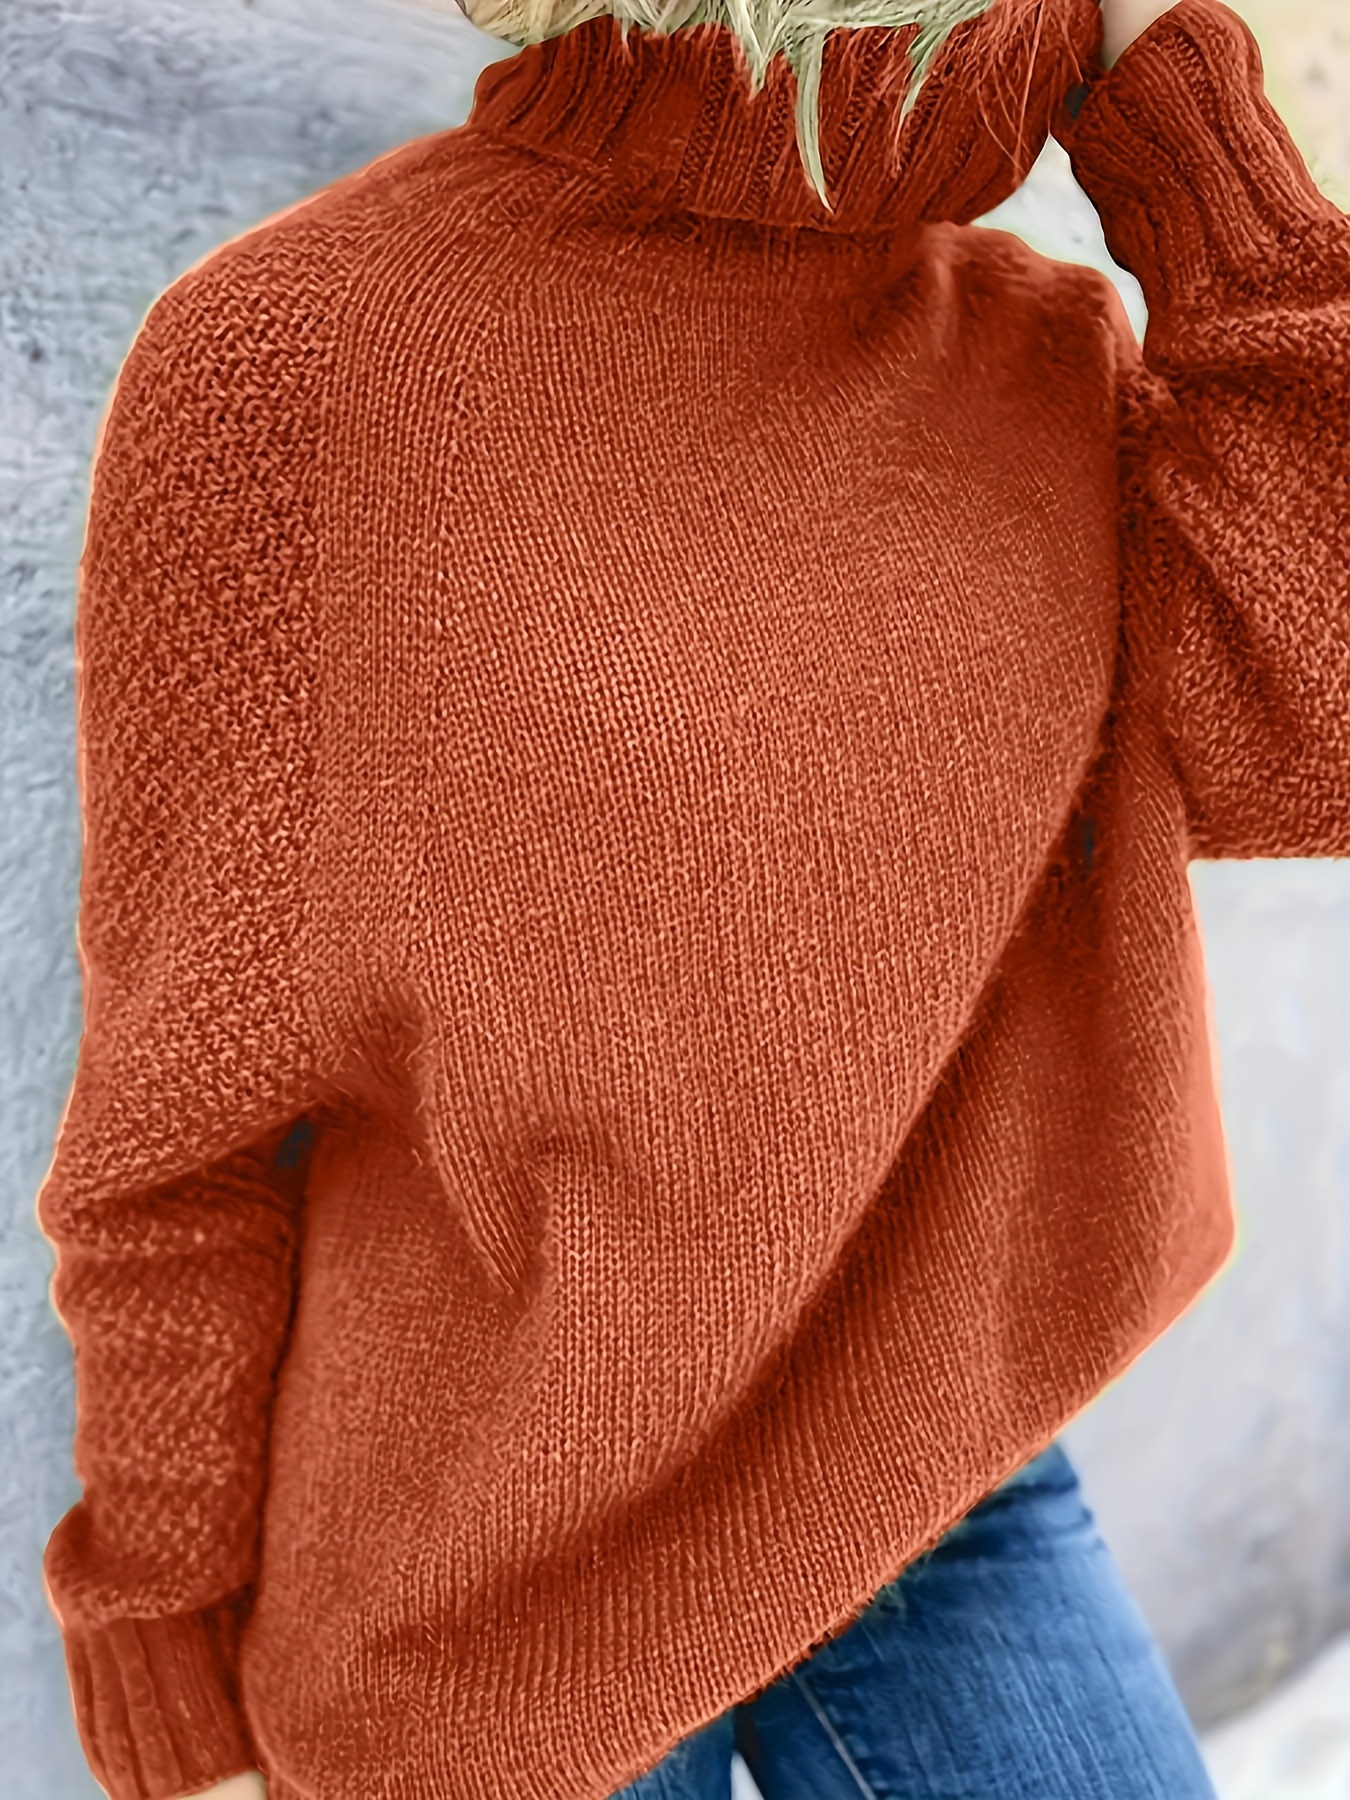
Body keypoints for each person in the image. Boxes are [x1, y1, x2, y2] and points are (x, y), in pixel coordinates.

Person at [35, 0, 1348, 1794]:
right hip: (479, 1574)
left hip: (933, 1477)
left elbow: (1320, 738)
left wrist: (1195, 147)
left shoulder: (1035, 352)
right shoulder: (295, 364)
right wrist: (165, 1668)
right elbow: (182, 1122)